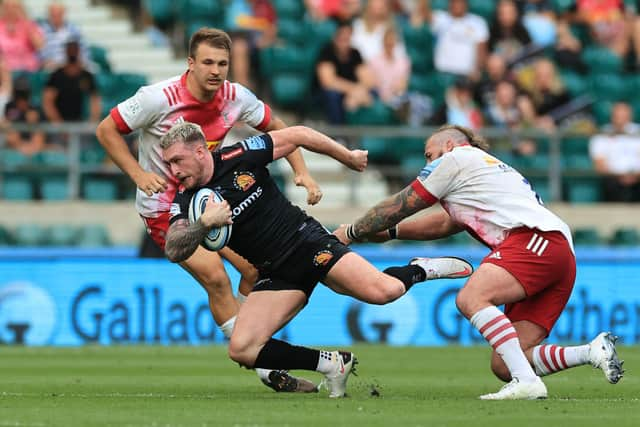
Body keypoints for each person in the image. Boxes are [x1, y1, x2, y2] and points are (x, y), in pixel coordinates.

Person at [160, 122, 473, 398]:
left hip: (307, 242)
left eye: (177, 161)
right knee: (241, 350)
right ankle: (332, 364)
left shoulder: (239, 155)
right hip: (276, 272)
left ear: (200, 151)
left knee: (384, 292)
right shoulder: (186, 201)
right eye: (168, 164)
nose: (174, 171)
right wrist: (204, 224)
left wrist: (346, 157)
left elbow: (298, 135)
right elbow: (174, 249)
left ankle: (419, 268)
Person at [95, 27, 322, 393]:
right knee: (217, 277)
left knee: (253, 269)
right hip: (164, 209)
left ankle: (251, 344)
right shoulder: (157, 98)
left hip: (210, 202)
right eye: (207, 62)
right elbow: (107, 129)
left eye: (223, 63)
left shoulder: (236, 97)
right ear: (190, 63)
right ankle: (266, 366)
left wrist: (302, 172)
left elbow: (281, 128)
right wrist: (138, 175)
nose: (216, 71)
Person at [334, 124, 625, 400]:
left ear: (449, 145)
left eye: (429, 155)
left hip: (535, 240)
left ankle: (527, 383)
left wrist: (352, 231)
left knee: (472, 297)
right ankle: (590, 351)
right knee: (504, 363)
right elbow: (445, 224)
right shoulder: (484, 171)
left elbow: (404, 203)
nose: (428, 162)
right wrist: (393, 233)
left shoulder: (455, 158)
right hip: (557, 252)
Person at [589, 102, 640, 202]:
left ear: (630, 116)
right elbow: (599, 163)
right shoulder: (601, 133)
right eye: (618, 116)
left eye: (624, 116)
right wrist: (619, 176)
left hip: (637, 177)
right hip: (613, 179)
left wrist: (635, 175)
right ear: (612, 116)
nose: (621, 119)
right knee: (609, 183)